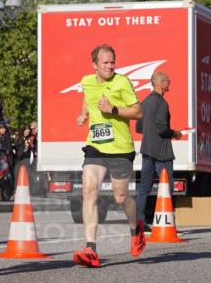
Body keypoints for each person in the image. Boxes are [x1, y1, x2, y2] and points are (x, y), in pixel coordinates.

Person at [74, 44, 145, 267]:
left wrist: (113, 109)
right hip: (95, 145)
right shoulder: (87, 81)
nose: (110, 66)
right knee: (88, 190)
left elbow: (138, 111)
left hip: (121, 149)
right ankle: (90, 248)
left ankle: (136, 228)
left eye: (112, 62)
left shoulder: (122, 82)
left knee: (120, 197)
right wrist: (83, 113)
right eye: (105, 63)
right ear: (94, 65)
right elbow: (88, 96)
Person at [135, 71, 181, 233]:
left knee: (144, 188)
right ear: (160, 83)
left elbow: (139, 127)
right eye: (168, 81)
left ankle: (139, 223)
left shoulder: (145, 102)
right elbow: (162, 129)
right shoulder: (162, 103)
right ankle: (168, 223)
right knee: (167, 188)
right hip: (162, 152)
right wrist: (174, 133)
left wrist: (150, 131)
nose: (170, 83)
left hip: (147, 149)